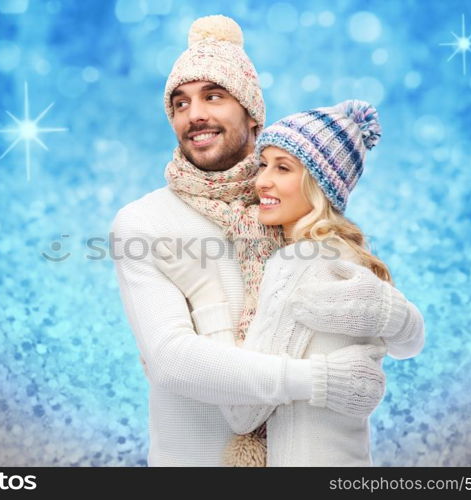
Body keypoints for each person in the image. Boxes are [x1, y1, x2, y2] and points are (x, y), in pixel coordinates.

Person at [110, 14, 419, 467]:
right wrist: (319, 379)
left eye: (213, 96)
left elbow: (387, 329)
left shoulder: (290, 207)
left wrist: (390, 313)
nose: (194, 114)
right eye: (179, 103)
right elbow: (171, 360)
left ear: (252, 115)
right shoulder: (144, 222)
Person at [153, 100, 425, 466]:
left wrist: (204, 293)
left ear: (320, 185)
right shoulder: (351, 258)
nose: (262, 180)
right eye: (263, 164)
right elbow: (410, 342)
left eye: (283, 168)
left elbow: (241, 411)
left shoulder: (298, 263)